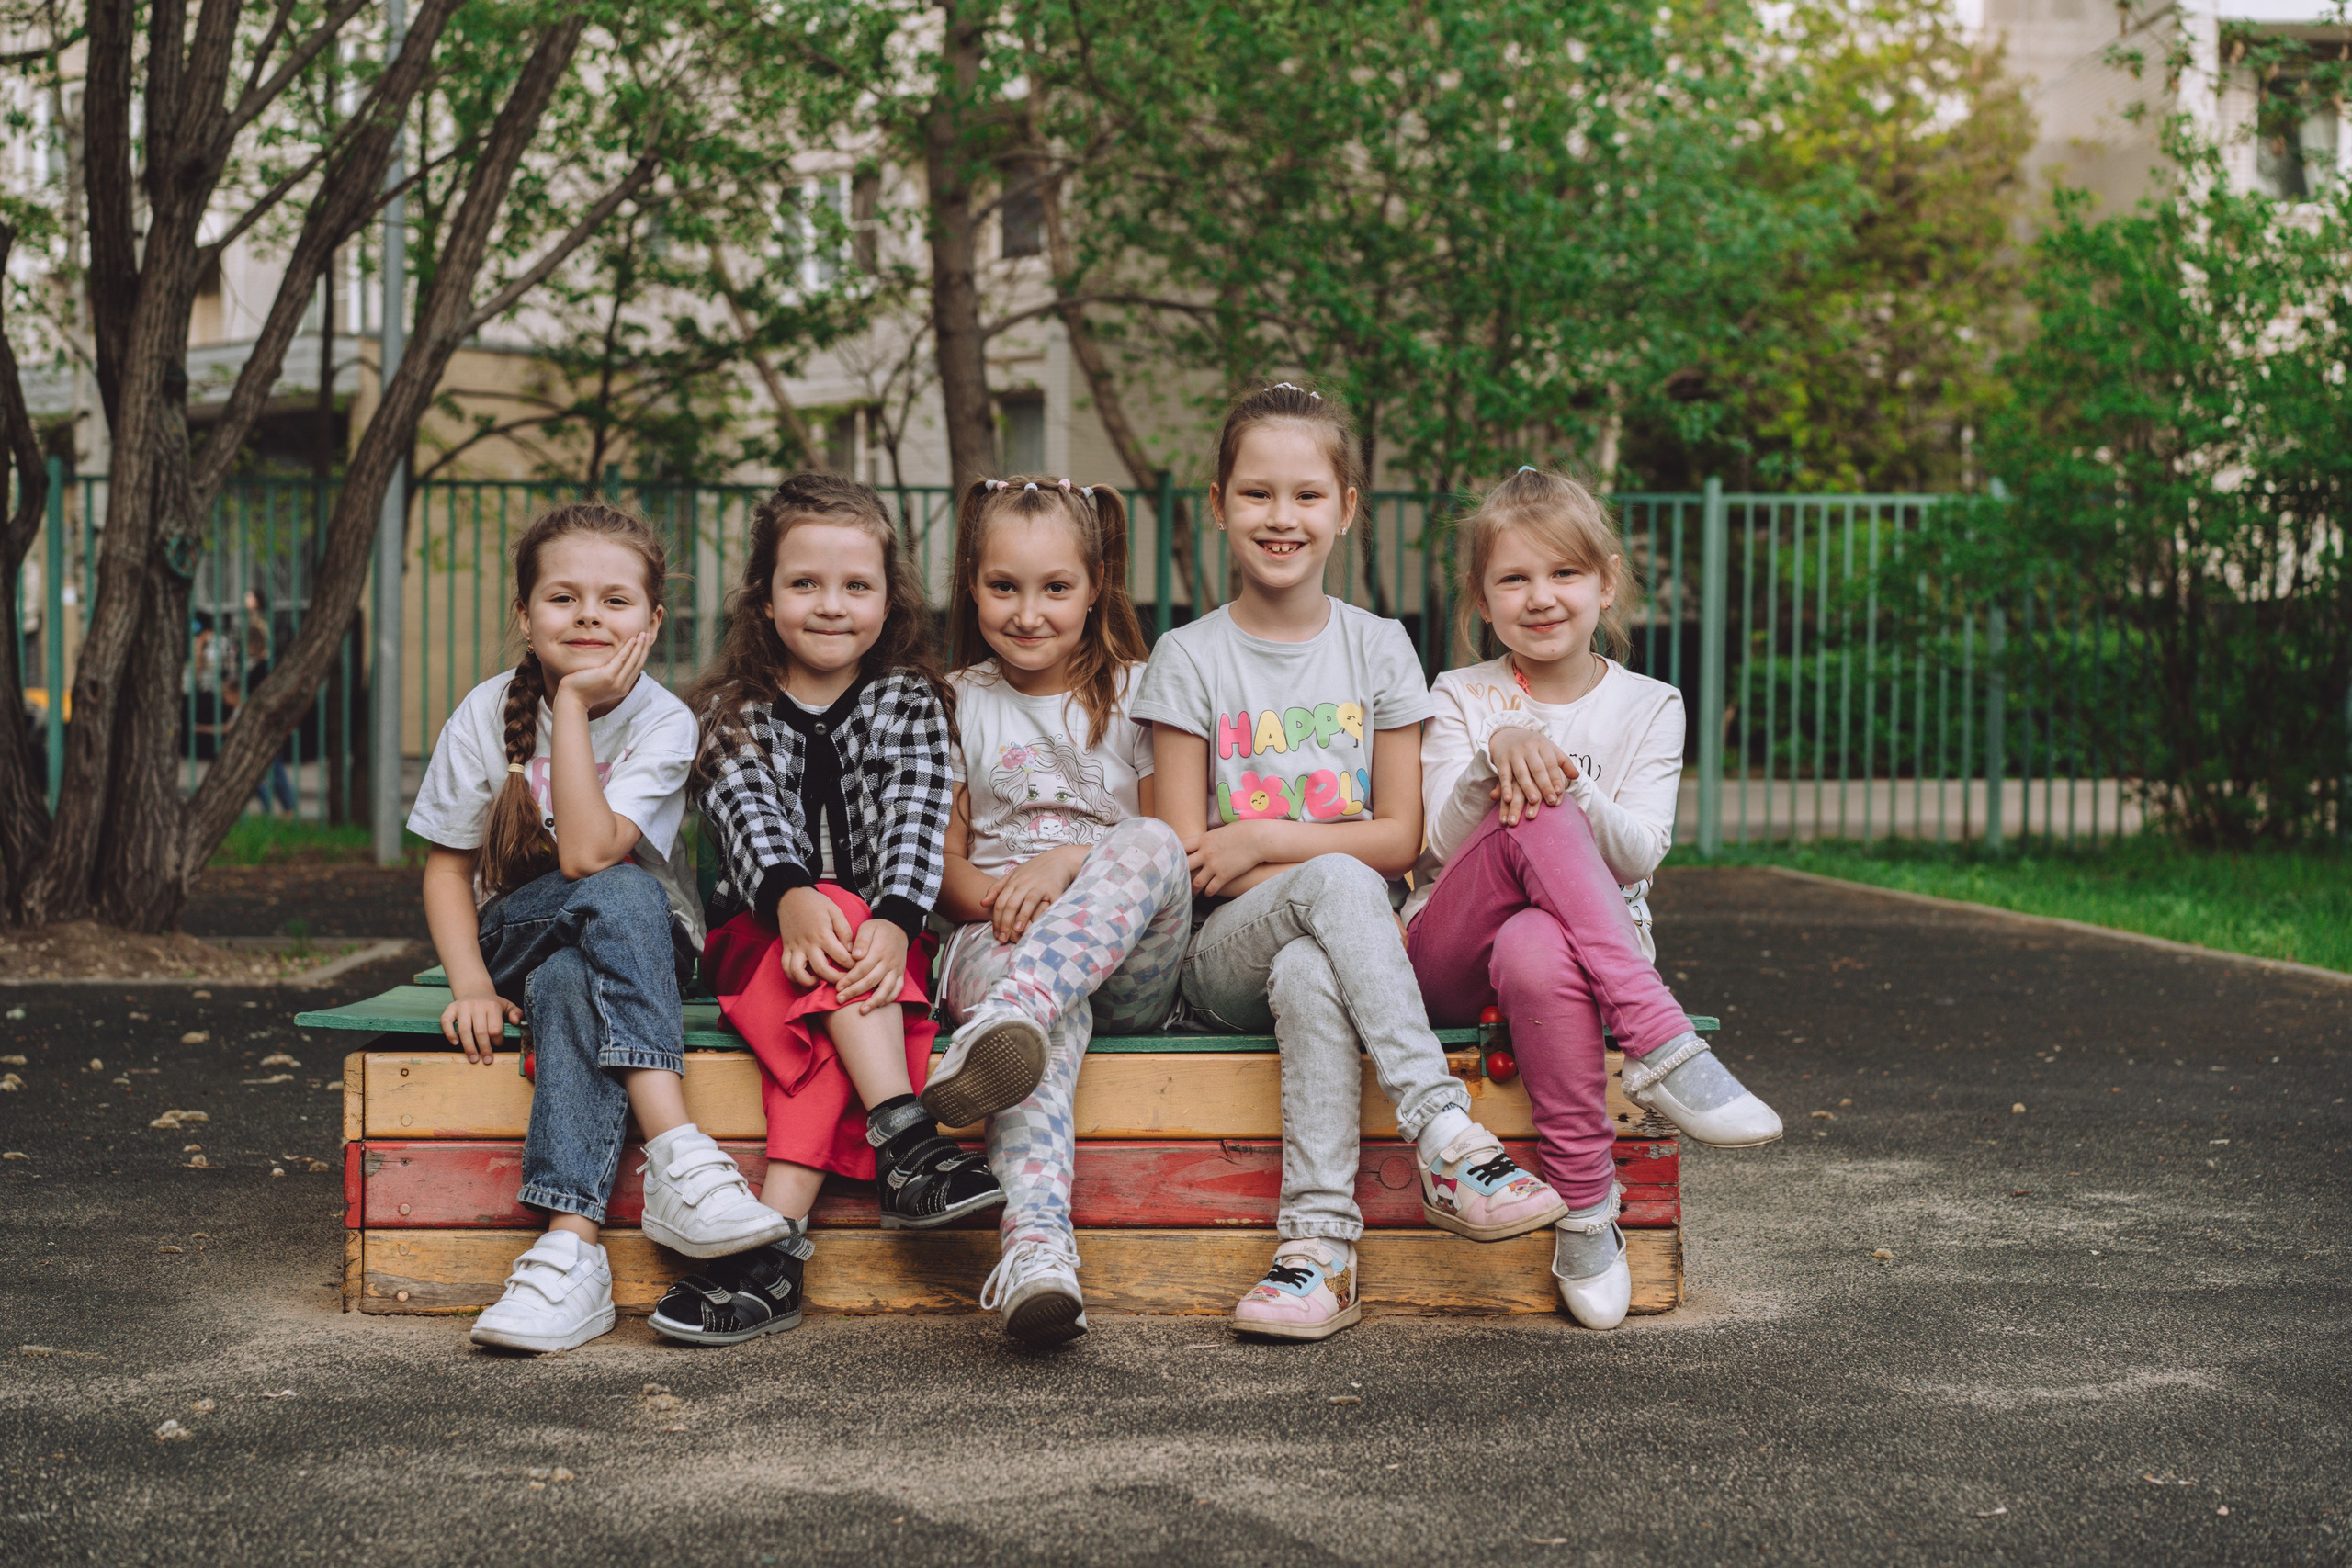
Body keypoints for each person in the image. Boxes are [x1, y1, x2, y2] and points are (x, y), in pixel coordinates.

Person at [1132, 384, 1567, 1343]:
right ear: (1216, 505)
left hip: (1332, 946)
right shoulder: (1188, 657)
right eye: (1255, 495)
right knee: (1331, 888)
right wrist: (1283, 857)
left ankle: (1317, 1253)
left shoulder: (1377, 647)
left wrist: (1264, 837)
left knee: (1310, 961)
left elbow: (1401, 837)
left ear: (1344, 510)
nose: (1280, 518)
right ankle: (1446, 1136)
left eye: (1305, 495)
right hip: (1214, 960)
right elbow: (1182, 865)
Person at [1407, 466, 1782, 1330]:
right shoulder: (1459, 694)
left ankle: (1586, 1212)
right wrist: (1501, 746)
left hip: (1570, 955)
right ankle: (1665, 1044)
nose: (1541, 597)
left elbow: (1642, 851)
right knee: (1526, 803)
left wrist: (1563, 780)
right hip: (1448, 954)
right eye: (1514, 578)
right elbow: (1433, 843)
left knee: (1538, 943)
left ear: (1606, 581)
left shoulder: (1653, 705)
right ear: (1483, 598)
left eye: (1564, 574)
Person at [409, 501, 786, 1356]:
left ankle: (570, 1250)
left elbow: (587, 849)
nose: (588, 617)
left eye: (615, 601)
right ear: (523, 614)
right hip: (518, 930)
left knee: (581, 966)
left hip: (648, 949)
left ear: (652, 622)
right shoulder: (482, 713)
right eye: (563, 598)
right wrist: (469, 981)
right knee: (607, 896)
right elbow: (451, 868)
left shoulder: (664, 719)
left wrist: (574, 704)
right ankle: (678, 1153)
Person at [662, 472, 998, 1346]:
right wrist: (797, 899)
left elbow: (919, 822)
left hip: (884, 949)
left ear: (891, 602)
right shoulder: (730, 711)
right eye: (804, 583)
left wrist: (889, 916)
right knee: (830, 944)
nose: (830, 604)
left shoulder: (912, 702)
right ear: (764, 600)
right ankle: (908, 1139)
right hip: (758, 943)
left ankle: (768, 1257)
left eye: (857, 585)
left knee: (816, 1044)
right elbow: (749, 819)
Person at [933, 475, 1191, 1346]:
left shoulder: (1140, 693)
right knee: (1043, 1014)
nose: (1028, 611)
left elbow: (1172, 845)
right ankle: (1037, 1250)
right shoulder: (956, 698)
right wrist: (1018, 906)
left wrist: (1067, 862)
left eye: (1056, 588)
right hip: (995, 941)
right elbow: (949, 874)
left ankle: (1008, 1021)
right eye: (1004, 586)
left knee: (1149, 839)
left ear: (1096, 587)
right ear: (972, 584)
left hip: (1129, 965)